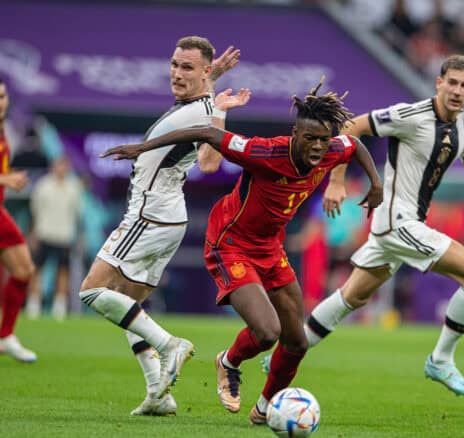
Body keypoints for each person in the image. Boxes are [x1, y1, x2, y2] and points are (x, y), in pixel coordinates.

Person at [101, 78, 384, 424]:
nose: (317, 148)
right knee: (268, 332)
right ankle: (228, 362)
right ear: (295, 134)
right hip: (230, 243)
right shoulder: (263, 152)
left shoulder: (332, 149)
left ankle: (265, 409)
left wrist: (377, 182)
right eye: (309, 138)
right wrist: (143, 148)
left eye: (323, 140)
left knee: (297, 341)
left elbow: (354, 143)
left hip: (269, 246)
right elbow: (207, 134)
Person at [263, 54, 464, 397]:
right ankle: (440, 360)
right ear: (438, 83)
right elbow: (351, 127)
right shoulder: (410, 116)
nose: (457, 90)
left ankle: (287, 353)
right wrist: (335, 181)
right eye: (451, 82)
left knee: (352, 296)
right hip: (398, 222)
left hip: (400, 226)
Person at [78, 36, 249, 416]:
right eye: (174, 64)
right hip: (168, 217)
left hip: (148, 215)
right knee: (129, 306)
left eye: (187, 67)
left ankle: (171, 344)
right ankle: (159, 393)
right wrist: (212, 77)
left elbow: (208, 163)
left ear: (203, 73)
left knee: (91, 292)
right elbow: (202, 103)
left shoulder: (204, 110)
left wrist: (218, 107)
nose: (176, 73)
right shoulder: (197, 102)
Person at [0, 78, 37, 363]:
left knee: (23, 270)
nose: (1, 102)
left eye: (2, 96)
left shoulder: (4, 131)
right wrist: (5, 178)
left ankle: (6, 336)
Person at [27, 156, 83, 320]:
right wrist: (33, 234)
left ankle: (59, 306)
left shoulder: (74, 188)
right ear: (53, 167)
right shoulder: (43, 185)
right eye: (59, 166)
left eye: (65, 166)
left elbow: (78, 215)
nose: (61, 169)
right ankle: (34, 304)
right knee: (37, 270)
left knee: (63, 271)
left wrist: (79, 236)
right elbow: (34, 212)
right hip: (44, 234)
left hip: (64, 236)